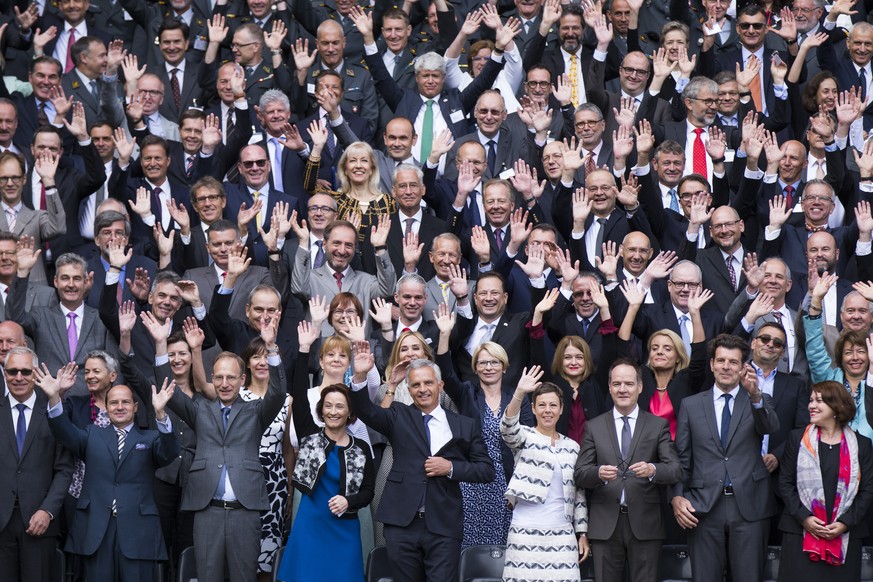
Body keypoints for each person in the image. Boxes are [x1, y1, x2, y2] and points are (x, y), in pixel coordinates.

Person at [349, 344, 494, 582]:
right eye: (416, 384)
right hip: (402, 524)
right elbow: (366, 411)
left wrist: (451, 468)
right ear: (409, 388)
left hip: (444, 525)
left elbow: (486, 470)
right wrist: (361, 375)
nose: (422, 389)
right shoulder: (398, 415)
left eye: (428, 383)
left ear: (440, 385)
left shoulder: (463, 424)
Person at [165, 320, 287, 582]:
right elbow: (169, 389)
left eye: (231, 377)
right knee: (208, 577)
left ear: (242, 379)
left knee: (244, 577)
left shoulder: (255, 411)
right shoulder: (199, 410)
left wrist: (271, 348)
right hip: (208, 511)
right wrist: (158, 346)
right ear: (212, 378)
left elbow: (278, 394)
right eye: (218, 377)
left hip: (245, 511)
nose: (224, 383)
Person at [41, 364, 178, 582]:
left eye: (125, 402)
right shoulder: (91, 434)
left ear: (135, 407)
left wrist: (161, 414)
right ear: (107, 406)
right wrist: (54, 398)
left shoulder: (150, 439)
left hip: (137, 531)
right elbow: (63, 432)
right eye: (114, 402)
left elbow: (170, 453)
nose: (119, 407)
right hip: (97, 530)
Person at [672, 334, 780, 582]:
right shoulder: (690, 405)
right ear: (711, 364)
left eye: (733, 362)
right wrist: (677, 496)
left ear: (744, 367)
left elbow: (770, 427)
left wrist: (755, 396)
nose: (726, 367)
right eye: (720, 360)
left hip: (750, 507)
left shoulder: (757, 400)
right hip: (704, 507)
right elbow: (683, 458)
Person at [278, 322, 375, 582]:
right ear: (321, 410)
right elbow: (298, 388)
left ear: (349, 412)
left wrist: (349, 502)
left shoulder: (361, 448)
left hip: (345, 526)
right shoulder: (310, 435)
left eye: (339, 406)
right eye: (328, 406)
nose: (333, 411)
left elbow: (368, 491)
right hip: (311, 524)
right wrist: (303, 349)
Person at [575, 358, 682, 582]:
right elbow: (580, 473)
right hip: (605, 524)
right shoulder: (594, 426)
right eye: (617, 384)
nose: (622, 389)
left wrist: (652, 469)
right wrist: (597, 473)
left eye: (629, 384)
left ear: (640, 387)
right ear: (610, 387)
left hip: (646, 523)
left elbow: (674, 469)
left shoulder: (657, 425)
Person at [434, 304, 532, 548]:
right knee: (472, 549)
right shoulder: (467, 393)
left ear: (504, 366)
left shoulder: (518, 397)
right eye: (483, 363)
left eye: (495, 362)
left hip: (509, 483)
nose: (489, 367)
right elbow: (445, 371)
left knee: (507, 548)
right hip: (473, 483)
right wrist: (445, 334)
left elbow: (528, 442)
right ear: (475, 368)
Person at [777, 381, 873, 581]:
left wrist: (845, 523)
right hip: (800, 534)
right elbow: (785, 483)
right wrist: (805, 518)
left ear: (837, 406)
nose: (811, 405)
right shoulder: (797, 439)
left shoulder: (862, 445)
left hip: (845, 536)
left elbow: (868, 490)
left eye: (819, 401)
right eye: (811, 400)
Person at [501, 366, 589, 580]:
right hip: (525, 531)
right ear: (533, 409)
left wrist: (582, 532)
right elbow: (507, 428)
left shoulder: (572, 447)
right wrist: (519, 392)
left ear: (561, 409)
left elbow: (578, 494)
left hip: (562, 533)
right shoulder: (525, 436)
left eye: (552, 405)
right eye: (541, 405)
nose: (547, 410)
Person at [0, 347, 74, 582]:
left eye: (25, 371)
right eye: (12, 371)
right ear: (4, 374)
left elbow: (64, 469)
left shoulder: (54, 411)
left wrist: (48, 510)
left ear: (35, 373)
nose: (18, 377)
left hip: (40, 522)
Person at [617, 282, 712, 439]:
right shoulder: (642, 376)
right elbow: (622, 352)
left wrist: (694, 313)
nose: (659, 351)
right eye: (654, 348)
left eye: (667, 349)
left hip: (677, 455)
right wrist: (633, 308)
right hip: (642, 452)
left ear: (677, 357)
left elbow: (699, 356)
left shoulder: (686, 380)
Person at [238, 338, 295, 581]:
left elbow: (287, 449)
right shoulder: (235, 395)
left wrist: (290, 489)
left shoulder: (287, 399)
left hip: (275, 480)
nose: (262, 362)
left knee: (269, 550)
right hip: (241, 475)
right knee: (241, 545)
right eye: (255, 357)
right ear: (247, 364)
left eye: (266, 357)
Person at [805, 273, 873, 441]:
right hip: (834, 455)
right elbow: (814, 350)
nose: (855, 357)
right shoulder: (829, 379)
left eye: (861, 352)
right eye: (848, 352)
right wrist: (815, 300)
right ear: (840, 357)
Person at [305, 123, 396, 243]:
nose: (358, 166)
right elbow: (310, 187)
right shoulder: (336, 199)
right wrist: (317, 148)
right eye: (353, 161)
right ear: (345, 169)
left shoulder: (388, 201)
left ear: (372, 169)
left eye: (364, 161)